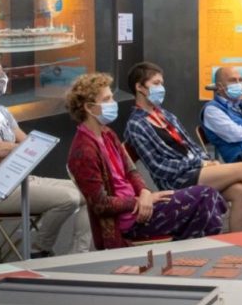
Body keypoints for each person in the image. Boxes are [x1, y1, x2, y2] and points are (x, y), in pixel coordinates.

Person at [66, 73, 225, 248]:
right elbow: (100, 204)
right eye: (107, 99)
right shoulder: (83, 151)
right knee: (206, 197)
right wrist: (138, 201)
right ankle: (191, 250)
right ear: (89, 107)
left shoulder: (107, 134)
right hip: (130, 220)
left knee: (209, 199)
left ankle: (188, 250)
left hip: (142, 206)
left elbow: (131, 170)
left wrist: (145, 193)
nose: (113, 103)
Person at [0, 54, 92, 256]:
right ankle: (40, 248)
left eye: (2, 69)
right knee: (70, 198)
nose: (3, 75)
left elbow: (32, 146)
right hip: (0, 192)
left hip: (24, 180)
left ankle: (79, 253)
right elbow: (1, 161)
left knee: (92, 190)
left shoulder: (1, 111)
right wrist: (17, 147)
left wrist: (8, 147)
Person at [122, 61, 242, 232]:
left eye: (162, 84)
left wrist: (207, 161)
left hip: (194, 171)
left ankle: (236, 241)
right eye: (156, 84)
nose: (161, 88)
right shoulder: (136, 124)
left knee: (240, 190)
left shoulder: (165, 115)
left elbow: (191, 146)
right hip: (176, 180)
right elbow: (160, 168)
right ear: (140, 88)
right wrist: (200, 163)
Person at [202, 66, 242, 163]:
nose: (239, 84)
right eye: (233, 81)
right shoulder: (212, 109)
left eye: (240, 80)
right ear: (220, 86)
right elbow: (235, 134)